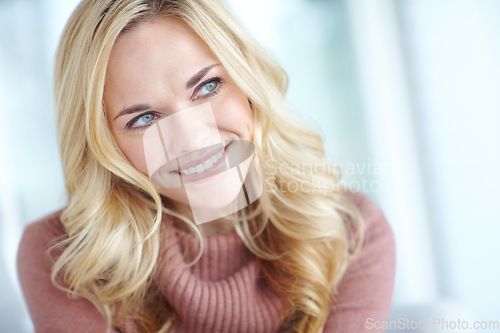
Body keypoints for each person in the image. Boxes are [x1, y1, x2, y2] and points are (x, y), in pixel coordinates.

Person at [17, 0, 396, 332]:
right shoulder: (63, 256)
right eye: (144, 119)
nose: (192, 140)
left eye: (208, 87)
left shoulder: (349, 231)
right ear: (104, 145)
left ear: (248, 83)